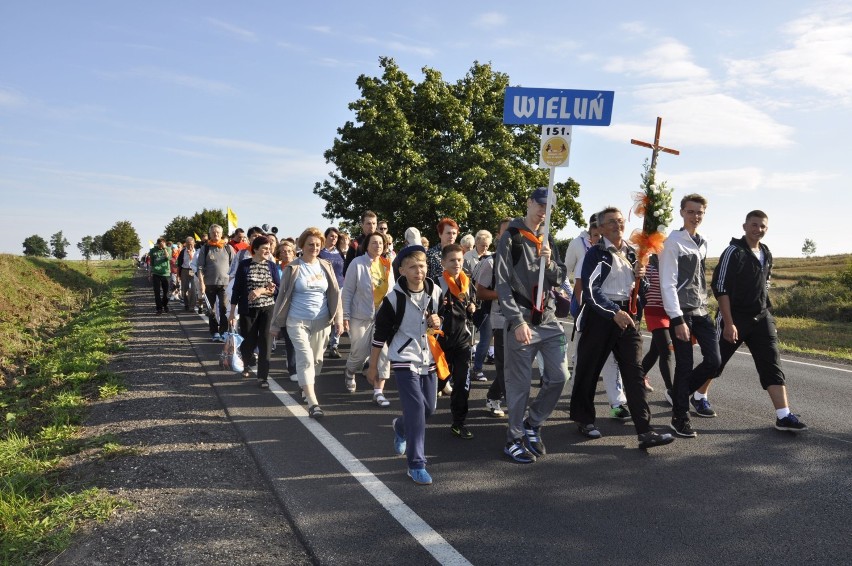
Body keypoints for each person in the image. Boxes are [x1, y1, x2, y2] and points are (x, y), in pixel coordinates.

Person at [569, 207, 674, 449]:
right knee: (589, 369)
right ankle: (584, 419)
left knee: (634, 373)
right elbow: (590, 291)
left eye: (619, 221)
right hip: (601, 317)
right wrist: (613, 312)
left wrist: (642, 277)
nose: (617, 225)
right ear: (601, 227)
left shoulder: (634, 253)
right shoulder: (595, 254)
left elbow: (641, 289)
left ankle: (645, 431)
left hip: (628, 318)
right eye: (611, 222)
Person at [710, 210, 808, 432]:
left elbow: (765, 285)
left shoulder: (766, 252)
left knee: (772, 364)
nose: (758, 230)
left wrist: (768, 316)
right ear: (744, 226)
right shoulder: (732, 252)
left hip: (762, 317)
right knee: (714, 362)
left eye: (762, 226)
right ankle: (695, 395)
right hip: (734, 317)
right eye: (754, 225)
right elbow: (720, 288)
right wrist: (728, 322)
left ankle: (783, 416)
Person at [496, 187, 569, 464]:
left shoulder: (547, 238)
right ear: (529, 203)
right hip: (522, 320)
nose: (543, 211)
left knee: (560, 376)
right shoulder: (512, 237)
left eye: (549, 207)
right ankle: (513, 439)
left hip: (548, 320)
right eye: (540, 204)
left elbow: (559, 277)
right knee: (520, 384)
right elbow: (502, 282)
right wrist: (515, 321)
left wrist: (549, 262)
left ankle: (533, 422)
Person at [367, 246, 443, 485]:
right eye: (412, 266)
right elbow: (379, 335)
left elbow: (438, 327)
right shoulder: (393, 299)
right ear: (401, 270)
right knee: (416, 411)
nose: (418, 271)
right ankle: (416, 464)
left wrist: (438, 322)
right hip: (403, 358)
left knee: (428, 408)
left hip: (428, 357)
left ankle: (400, 427)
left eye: (422, 265)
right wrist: (373, 365)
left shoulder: (437, 292)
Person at [659, 193, 721, 438]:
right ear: (682, 212)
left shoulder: (702, 242)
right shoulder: (673, 241)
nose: (696, 216)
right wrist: (676, 319)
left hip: (701, 309)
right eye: (691, 211)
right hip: (682, 312)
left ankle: (678, 394)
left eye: (700, 212)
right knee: (684, 364)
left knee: (714, 361)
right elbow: (668, 283)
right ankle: (680, 417)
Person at [270, 228, 343, 419]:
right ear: (302, 245)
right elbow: (282, 298)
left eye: (318, 244)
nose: (315, 247)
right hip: (297, 321)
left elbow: (335, 293)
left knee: (316, 360)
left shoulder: (325, 265)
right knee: (305, 358)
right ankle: (313, 402)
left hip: (322, 321)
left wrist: (339, 319)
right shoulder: (293, 268)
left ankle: (305, 386)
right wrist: (275, 324)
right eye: (311, 244)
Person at [564, 214, 630, 418]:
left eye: (596, 234)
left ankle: (617, 403)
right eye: (592, 235)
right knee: (585, 363)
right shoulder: (588, 256)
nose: (594, 238)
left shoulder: (619, 254)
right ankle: (578, 400)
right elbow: (580, 287)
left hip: (613, 315)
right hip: (592, 313)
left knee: (612, 363)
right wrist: (581, 309)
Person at [342, 232, 394, 405]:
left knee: (383, 354)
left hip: (382, 318)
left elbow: (392, 292)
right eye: (374, 243)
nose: (378, 246)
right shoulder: (357, 264)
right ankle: (350, 371)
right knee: (359, 353)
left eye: (381, 243)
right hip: (361, 316)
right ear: (367, 245)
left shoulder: (387, 265)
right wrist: (345, 316)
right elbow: (347, 292)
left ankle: (378, 392)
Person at [436, 243, 477, 439]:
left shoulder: (467, 283)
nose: (457, 263)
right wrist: (437, 311)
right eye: (452, 260)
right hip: (440, 344)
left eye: (460, 260)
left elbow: (474, 303)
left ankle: (458, 423)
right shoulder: (436, 284)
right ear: (443, 262)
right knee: (436, 383)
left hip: (462, 341)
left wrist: (473, 307)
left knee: (462, 383)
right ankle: (415, 417)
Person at [229, 235, 280, 388]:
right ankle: (246, 364)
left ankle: (262, 377)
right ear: (255, 249)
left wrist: (262, 290)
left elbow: (277, 289)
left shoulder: (271, 266)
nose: (268, 250)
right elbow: (237, 288)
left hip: (268, 309)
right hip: (248, 310)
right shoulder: (245, 265)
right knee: (248, 341)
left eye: (269, 248)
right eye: (264, 248)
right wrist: (232, 313)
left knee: (265, 342)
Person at [475, 218, 511, 417]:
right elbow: (480, 293)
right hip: (500, 320)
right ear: (498, 236)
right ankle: (515, 409)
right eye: (505, 232)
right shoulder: (491, 262)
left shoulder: (525, 260)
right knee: (506, 365)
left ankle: (493, 395)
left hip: (524, 320)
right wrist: (504, 294)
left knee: (514, 365)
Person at [640, 254, 672, 395]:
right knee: (666, 351)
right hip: (654, 311)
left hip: (669, 312)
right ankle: (672, 390)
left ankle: (638, 378)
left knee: (655, 351)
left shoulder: (670, 265)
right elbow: (640, 287)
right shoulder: (648, 266)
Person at [197, 224, 235, 342]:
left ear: (221, 233)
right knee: (211, 309)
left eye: (218, 232)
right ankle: (214, 332)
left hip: (225, 283)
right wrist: (202, 283)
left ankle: (223, 331)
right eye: (213, 232)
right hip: (209, 283)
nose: (216, 234)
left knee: (224, 308)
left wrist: (232, 282)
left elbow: (234, 266)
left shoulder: (228, 248)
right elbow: (199, 268)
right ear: (210, 234)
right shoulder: (206, 248)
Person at [319, 227, 344, 358]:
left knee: (338, 316)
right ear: (326, 237)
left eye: (336, 237)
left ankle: (334, 345)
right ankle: (322, 344)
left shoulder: (340, 253)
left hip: (340, 287)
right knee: (326, 315)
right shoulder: (320, 252)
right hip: (325, 288)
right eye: (331, 236)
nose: (334, 239)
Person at [274, 240, 298, 380]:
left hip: (298, 307)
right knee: (290, 340)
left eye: (289, 251)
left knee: (298, 340)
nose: (286, 254)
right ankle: (292, 368)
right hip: (282, 308)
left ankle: (295, 363)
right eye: (283, 251)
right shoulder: (276, 269)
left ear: (294, 253)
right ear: (278, 254)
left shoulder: (300, 266)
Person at [343, 210, 378, 275]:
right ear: (362, 225)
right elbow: (346, 271)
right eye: (369, 223)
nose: (372, 226)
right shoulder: (355, 244)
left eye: (374, 223)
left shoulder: (381, 243)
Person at [426, 218, 459, 282]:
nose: (451, 236)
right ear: (440, 234)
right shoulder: (430, 254)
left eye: (454, 233)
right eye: (448, 233)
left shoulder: (459, 254)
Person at [148, 238, 171, 314]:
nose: (161, 245)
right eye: (159, 244)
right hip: (156, 273)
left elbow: (167, 258)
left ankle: (165, 305)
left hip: (165, 273)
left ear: (164, 243)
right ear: (157, 243)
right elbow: (151, 263)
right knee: (157, 291)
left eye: (162, 243)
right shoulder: (153, 250)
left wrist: (164, 248)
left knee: (166, 292)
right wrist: (149, 274)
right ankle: (159, 308)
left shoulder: (168, 249)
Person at [177, 237, 196, 311]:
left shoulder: (197, 252)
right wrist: (178, 276)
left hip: (193, 271)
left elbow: (196, 263)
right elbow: (179, 264)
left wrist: (191, 255)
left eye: (191, 244)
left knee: (193, 289)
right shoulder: (182, 252)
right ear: (185, 244)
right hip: (184, 270)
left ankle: (192, 306)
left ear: (194, 244)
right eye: (188, 245)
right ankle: (186, 304)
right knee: (185, 289)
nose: (190, 246)